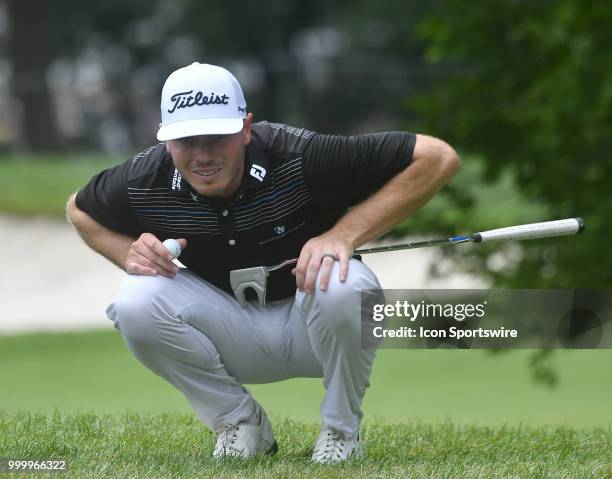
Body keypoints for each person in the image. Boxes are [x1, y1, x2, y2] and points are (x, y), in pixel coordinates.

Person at [66, 62, 460, 463]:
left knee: (344, 283)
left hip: (316, 327)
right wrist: (128, 253)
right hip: (228, 332)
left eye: (217, 137)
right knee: (135, 299)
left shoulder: (301, 156)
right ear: (166, 140)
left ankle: (341, 434)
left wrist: (343, 235)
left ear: (246, 127)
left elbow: (436, 157)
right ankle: (241, 424)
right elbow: (79, 209)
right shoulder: (144, 179)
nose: (202, 155)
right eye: (186, 139)